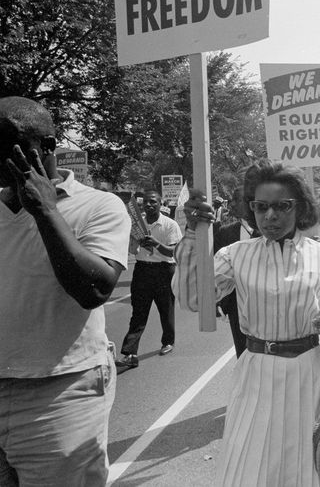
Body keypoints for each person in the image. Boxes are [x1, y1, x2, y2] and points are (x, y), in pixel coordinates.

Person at [174, 160, 320, 487]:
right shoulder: (236, 255)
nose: (270, 216)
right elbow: (193, 299)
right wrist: (190, 234)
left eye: (282, 206)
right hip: (256, 372)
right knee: (250, 467)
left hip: (308, 374)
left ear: (300, 207)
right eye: (260, 206)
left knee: (309, 469)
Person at [0, 96, 131, 485]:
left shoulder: (99, 206)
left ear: (48, 148)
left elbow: (93, 289)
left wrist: (45, 210)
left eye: (7, 145)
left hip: (61, 394)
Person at [116, 189, 182, 368]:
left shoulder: (170, 225)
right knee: (138, 313)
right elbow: (132, 251)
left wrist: (155, 244)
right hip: (142, 271)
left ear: (160, 204)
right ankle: (130, 353)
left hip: (164, 271)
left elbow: (174, 252)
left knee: (165, 309)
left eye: (153, 201)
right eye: (146, 202)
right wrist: (135, 242)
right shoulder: (137, 226)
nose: (149, 205)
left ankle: (168, 341)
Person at [213, 187, 258, 358]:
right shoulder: (225, 232)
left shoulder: (271, 232)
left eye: (235, 200)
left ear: (249, 203)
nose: (231, 204)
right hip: (236, 305)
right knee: (243, 354)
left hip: (267, 302)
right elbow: (214, 271)